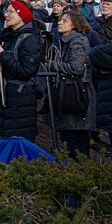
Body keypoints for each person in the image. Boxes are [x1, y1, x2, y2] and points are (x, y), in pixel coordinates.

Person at [41, 11, 95, 157]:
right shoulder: (64, 40)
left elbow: (76, 68)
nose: (60, 22)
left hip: (76, 93)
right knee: (69, 136)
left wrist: (52, 65)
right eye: (60, 20)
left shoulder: (78, 41)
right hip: (68, 92)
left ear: (74, 24)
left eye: (65, 21)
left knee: (76, 139)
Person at [0, 0, 42, 141]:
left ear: (22, 16)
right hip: (9, 92)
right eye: (6, 11)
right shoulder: (9, 36)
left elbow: (26, 70)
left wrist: (2, 56)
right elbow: (9, 62)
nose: (6, 15)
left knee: (19, 138)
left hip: (21, 96)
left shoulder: (30, 40)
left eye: (11, 12)